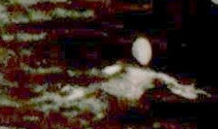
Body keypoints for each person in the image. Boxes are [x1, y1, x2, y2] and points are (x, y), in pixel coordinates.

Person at [53, 37, 203, 114]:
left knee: (95, 89)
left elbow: (103, 74)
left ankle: (67, 97)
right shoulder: (153, 75)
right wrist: (185, 90)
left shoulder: (124, 66)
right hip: (134, 96)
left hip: (119, 91)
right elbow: (172, 84)